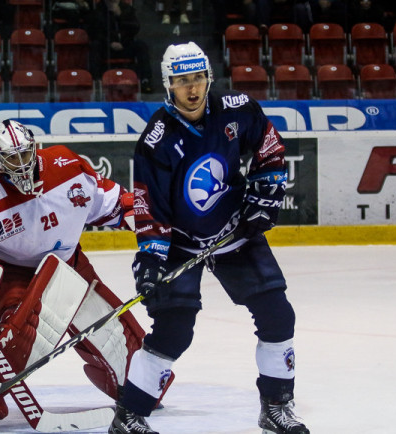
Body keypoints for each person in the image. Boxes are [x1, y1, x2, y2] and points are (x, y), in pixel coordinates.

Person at [108, 42, 310, 434]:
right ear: (168, 85)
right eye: (182, 80)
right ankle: (129, 415)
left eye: (198, 77)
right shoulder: (156, 139)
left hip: (233, 229)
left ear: (209, 78)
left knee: (277, 315)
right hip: (180, 240)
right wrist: (151, 259)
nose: (192, 88)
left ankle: (276, 407)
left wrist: (264, 195)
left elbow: (269, 146)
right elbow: (150, 207)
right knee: (174, 331)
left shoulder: (236, 108)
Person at [0, 119, 171, 431]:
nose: (20, 163)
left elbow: (115, 202)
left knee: (112, 335)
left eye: (24, 154)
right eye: (11, 158)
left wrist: (146, 223)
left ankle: (135, 385)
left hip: (68, 264)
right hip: (15, 275)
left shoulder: (69, 168)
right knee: (22, 332)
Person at [88, 0, 154, 93]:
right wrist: (110, 43)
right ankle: (96, 80)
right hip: (106, 47)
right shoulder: (99, 10)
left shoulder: (127, 9)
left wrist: (120, 16)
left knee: (141, 45)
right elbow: (95, 32)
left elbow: (135, 28)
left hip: (125, 45)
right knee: (95, 46)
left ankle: (145, 80)